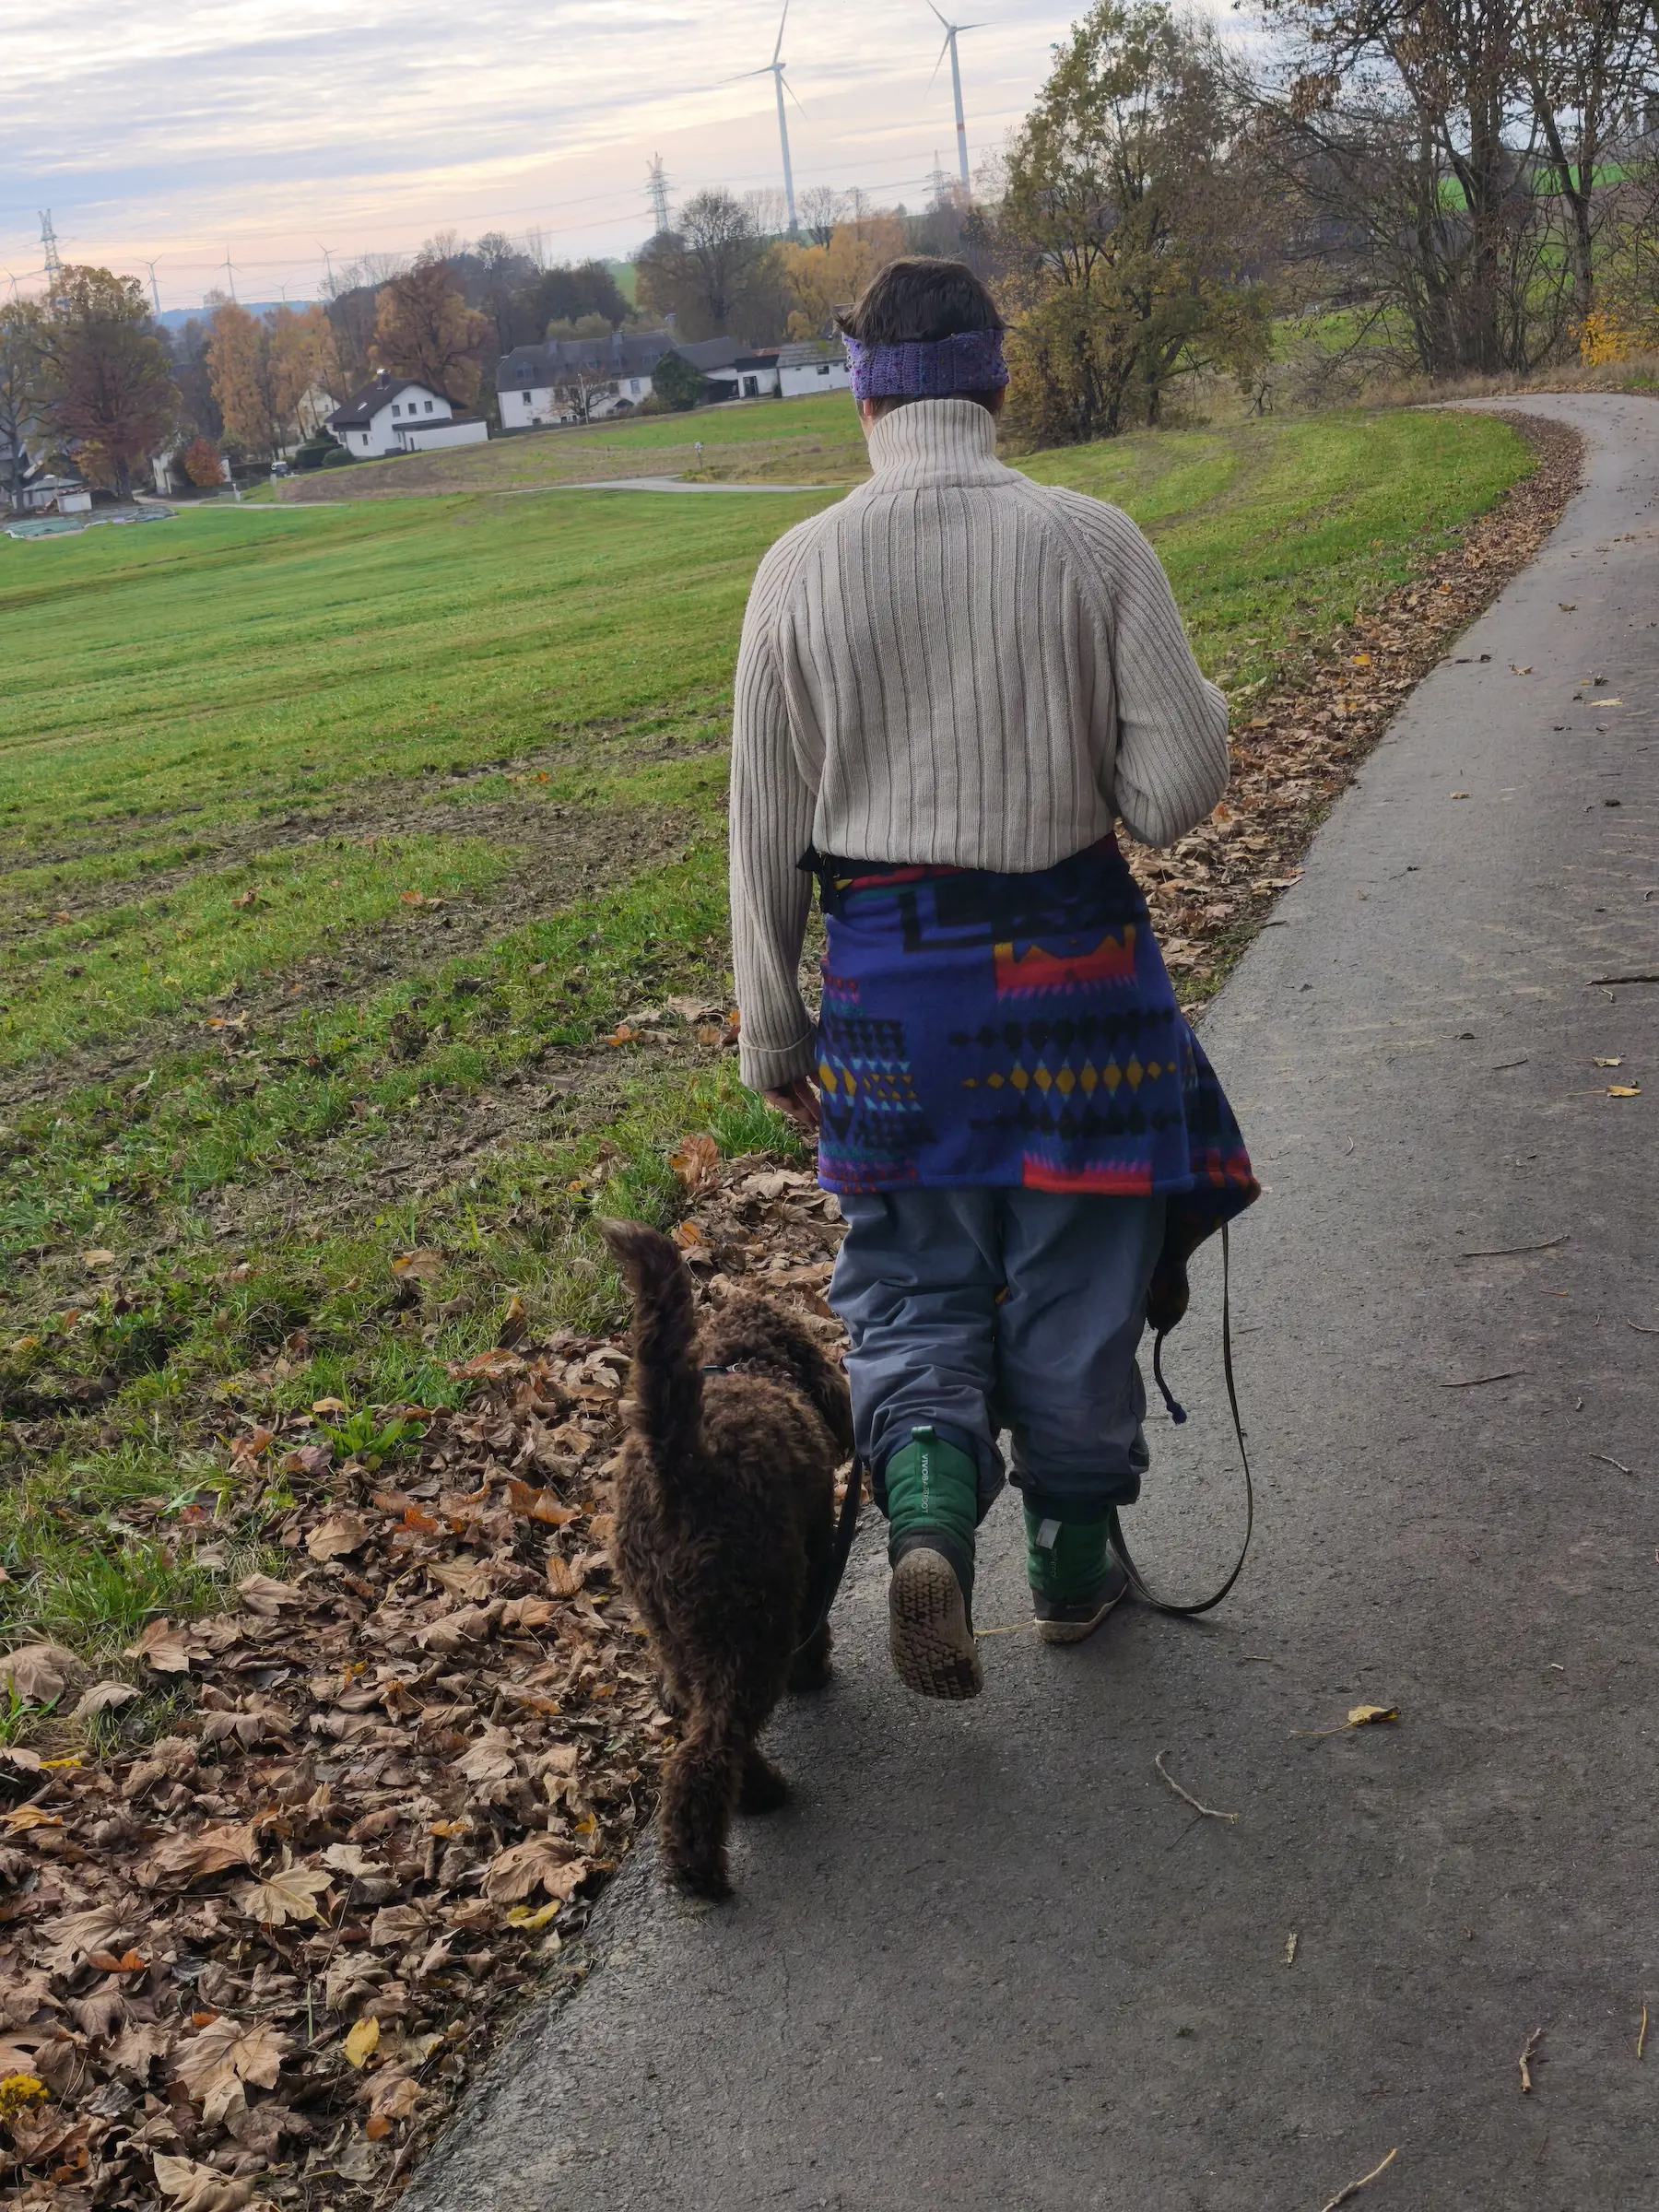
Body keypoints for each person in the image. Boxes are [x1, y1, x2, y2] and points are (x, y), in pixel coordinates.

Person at [727, 258, 1258, 1701]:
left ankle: (929, 1526)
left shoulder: (797, 569)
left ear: (865, 394)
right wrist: (1184, 703)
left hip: (895, 1008)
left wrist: (774, 1026)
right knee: (1079, 1286)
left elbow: (764, 828)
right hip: (1077, 985)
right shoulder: (1093, 544)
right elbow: (1172, 791)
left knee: (909, 1284)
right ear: (1000, 383)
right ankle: (1073, 1569)